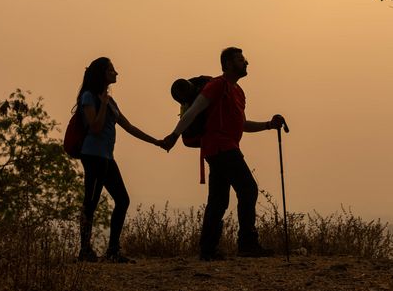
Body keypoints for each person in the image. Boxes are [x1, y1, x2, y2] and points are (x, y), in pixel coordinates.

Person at [163, 47, 286, 261]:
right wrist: (174, 135)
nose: (246, 62)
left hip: (221, 148)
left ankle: (208, 249)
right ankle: (247, 243)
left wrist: (268, 125)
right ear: (228, 64)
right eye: (240, 59)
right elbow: (194, 111)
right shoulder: (217, 85)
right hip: (221, 148)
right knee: (248, 189)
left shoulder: (237, 92)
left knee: (219, 200)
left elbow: (242, 125)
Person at [76, 57, 164, 263]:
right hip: (93, 156)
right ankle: (85, 251)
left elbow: (129, 127)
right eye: (112, 70)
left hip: (106, 157)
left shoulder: (110, 101)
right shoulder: (89, 97)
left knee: (122, 200)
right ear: (102, 74)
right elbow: (95, 127)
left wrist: (156, 142)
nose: (116, 73)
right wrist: (104, 103)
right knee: (90, 202)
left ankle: (113, 250)